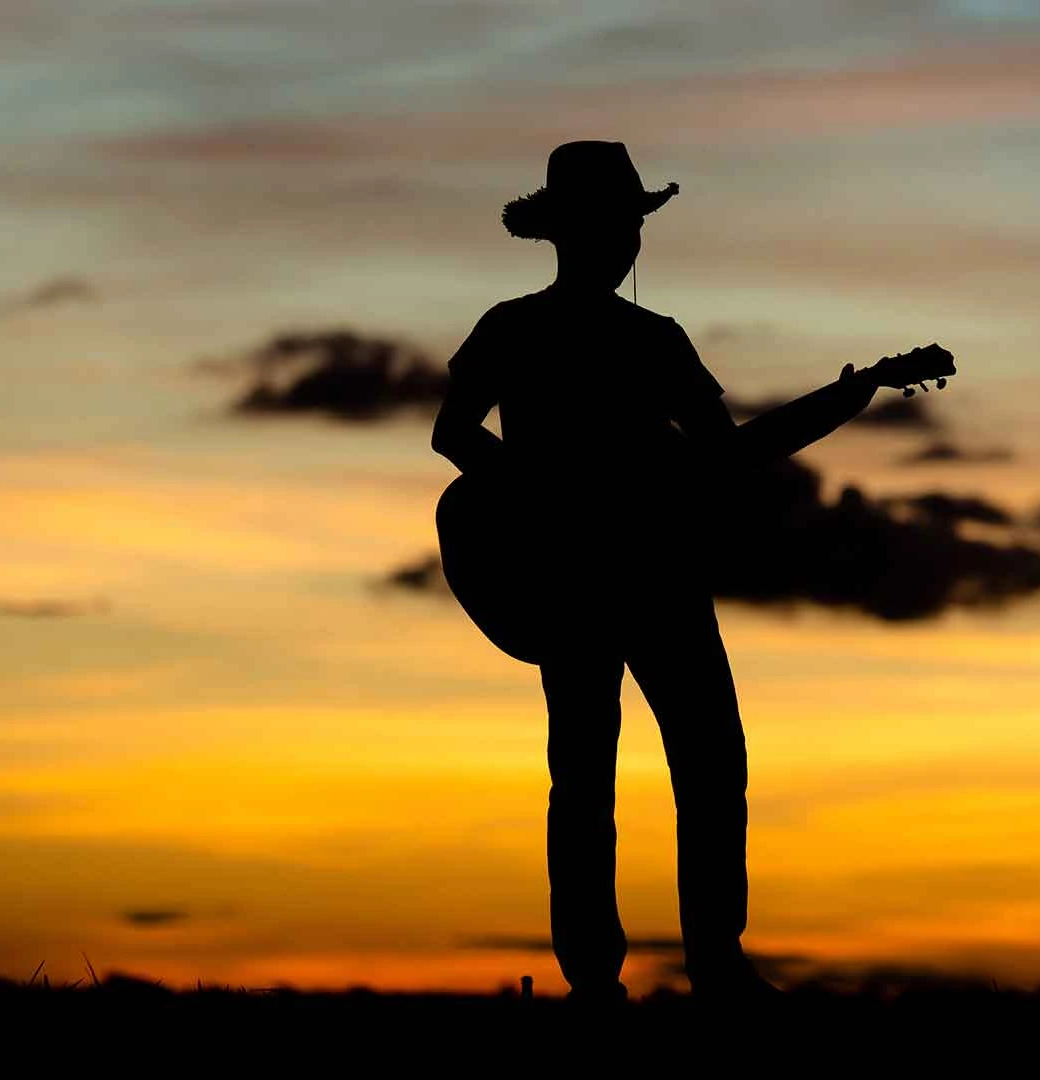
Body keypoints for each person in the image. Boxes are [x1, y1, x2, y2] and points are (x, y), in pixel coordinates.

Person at [430, 141, 943, 1002]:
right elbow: (456, 435)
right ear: (582, 233)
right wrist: (550, 493)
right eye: (621, 223)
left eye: (631, 224)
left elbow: (719, 455)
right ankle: (666, 970)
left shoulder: (573, 331)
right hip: (616, 579)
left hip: (631, 579)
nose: (628, 239)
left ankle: (674, 970)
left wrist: (851, 394)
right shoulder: (551, 330)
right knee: (660, 770)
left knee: (623, 773)